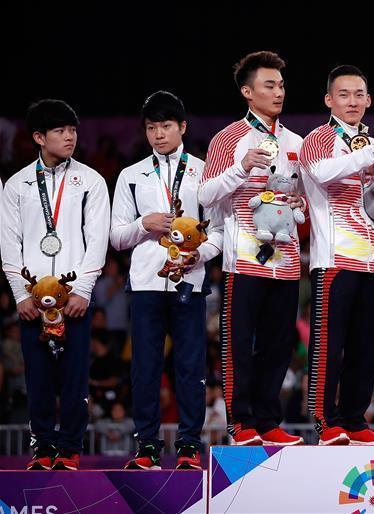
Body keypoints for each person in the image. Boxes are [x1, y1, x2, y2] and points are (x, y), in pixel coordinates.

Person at [111, 91, 223, 468]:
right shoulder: (131, 175)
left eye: (166, 126)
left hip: (188, 281)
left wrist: (199, 254)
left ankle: (190, 445)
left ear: (183, 127)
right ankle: (147, 446)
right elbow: (116, 236)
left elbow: (219, 231)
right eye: (152, 127)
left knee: (190, 367)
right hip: (145, 283)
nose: (159, 134)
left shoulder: (205, 171)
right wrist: (144, 224)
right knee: (145, 367)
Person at [198, 51, 305, 446]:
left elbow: (301, 198)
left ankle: (268, 420)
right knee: (240, 345)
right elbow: (206, 195)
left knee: (278, 346)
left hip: (288, 259)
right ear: (247, 92)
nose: (278, 92)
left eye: (280, 85)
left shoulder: (295, 141)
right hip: (244, 259)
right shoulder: (227, 139)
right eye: (269, 85)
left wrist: (300, 205)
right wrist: (240, 167)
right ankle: (240, 422)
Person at [1, 99, 110, 470]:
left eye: (73, 130)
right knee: (38, 378)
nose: (70, 137)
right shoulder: (17, 185)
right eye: (61, 131)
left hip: (73, 297)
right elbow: (9, 243)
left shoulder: (91, 180)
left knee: (75, 380)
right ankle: (42, 447)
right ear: (38, 137)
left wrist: (83, 290)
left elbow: (97, 239)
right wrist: (19, 294)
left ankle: (70, 448)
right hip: (33, 298)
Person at [299, 65, 374, 446]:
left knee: (364, 344)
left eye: (359, 94)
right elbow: (324, 174)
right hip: (332, 258)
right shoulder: (318, 139)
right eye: (344, 94)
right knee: (329, 343)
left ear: (369, 100)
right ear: (329, 100)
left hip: (371, 256)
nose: (353, 101)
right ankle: (326, 422)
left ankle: (356, 420)